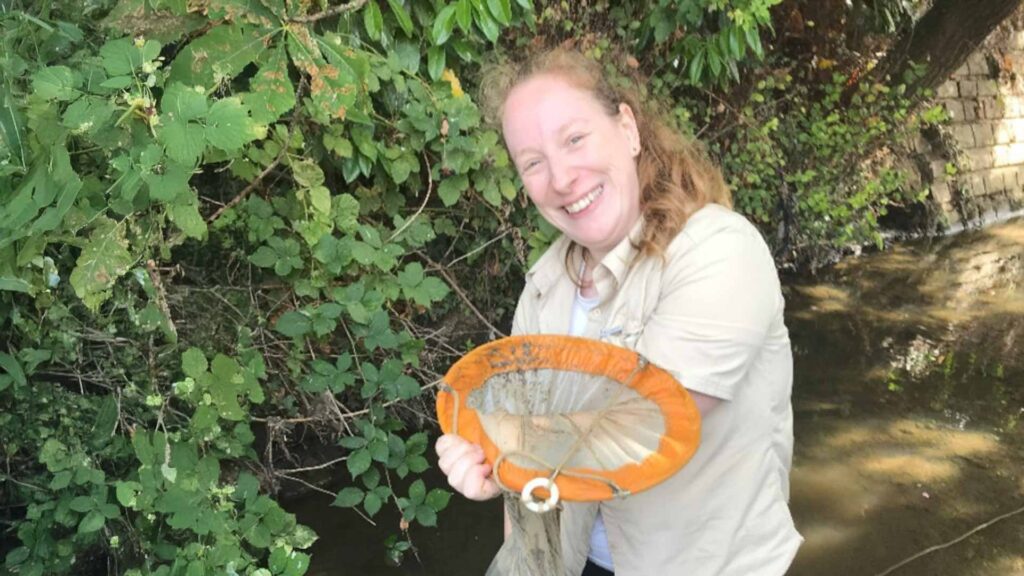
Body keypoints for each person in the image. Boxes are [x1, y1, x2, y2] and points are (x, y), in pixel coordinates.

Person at [434, 49, 802, 576]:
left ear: (627, 129)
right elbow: (527, 494)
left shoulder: (719, 250)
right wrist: (496, 470)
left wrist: (499, 445)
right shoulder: (543, 287)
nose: (561, 177)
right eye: (533, 162)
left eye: (574, 139)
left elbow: (651, 422)